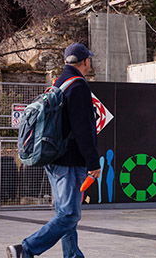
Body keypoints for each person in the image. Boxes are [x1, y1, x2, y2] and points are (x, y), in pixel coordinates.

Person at [7, 43, 101, 258]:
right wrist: (93, 162)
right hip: (69, 161)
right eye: (89, 60)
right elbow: (83, 128)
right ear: (85, 61)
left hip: (54, 158)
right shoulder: (78, 86)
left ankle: (72, 255)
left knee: (64, 212)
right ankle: (25, 249)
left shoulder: (59, 83)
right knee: (68, 215)